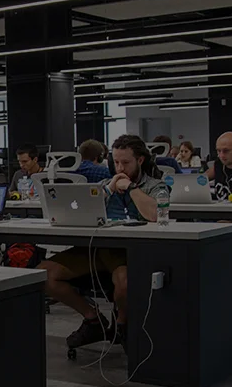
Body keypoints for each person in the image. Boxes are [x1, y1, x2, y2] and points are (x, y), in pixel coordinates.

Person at [37, 135, 167, 352]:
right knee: (44, 274)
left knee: (124, 283)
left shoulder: (156, 185)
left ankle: (123, 323)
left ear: (140, 161)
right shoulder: (103, 186)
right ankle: (93, 319)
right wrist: (108, 189)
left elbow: (155, 215)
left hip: (130, 252)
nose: (119, 167)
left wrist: (131, 187)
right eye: (116, 162)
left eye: (125, 162)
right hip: (97, 249)